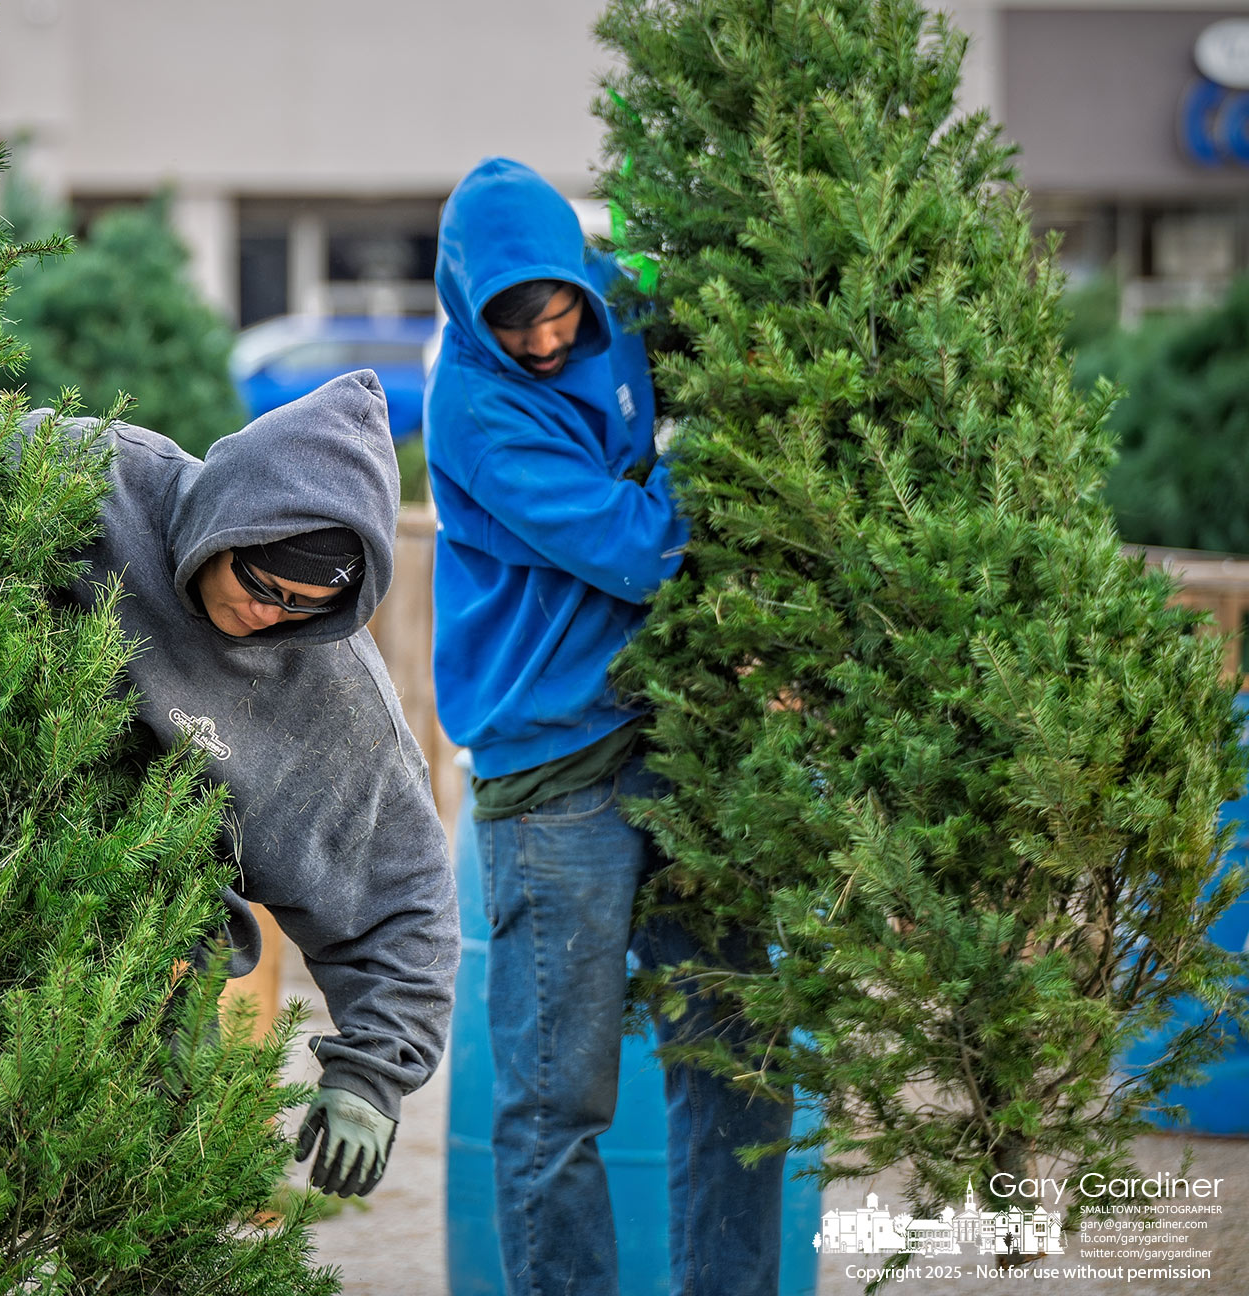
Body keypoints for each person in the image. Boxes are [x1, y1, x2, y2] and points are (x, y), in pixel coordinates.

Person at [425, 156, 792, 1294]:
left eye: (558, 309)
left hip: (674, 737)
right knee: (555, 1104)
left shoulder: (619, 308)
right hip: (555, 771)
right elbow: (642, 550)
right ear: (468, 307)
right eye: (512, 321)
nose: (542, 341)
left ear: (580, 278)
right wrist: (738, 478)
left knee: (743, 1059)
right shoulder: (477, 409)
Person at [48, 369, 457, 1199]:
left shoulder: (332, 696)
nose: (272, 616)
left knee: (142, 1198)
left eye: (306, 606)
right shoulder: (89, 480)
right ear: (226, 523)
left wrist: (373, 1074)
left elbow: (405, 891)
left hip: (147, 957)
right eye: (263, 585)